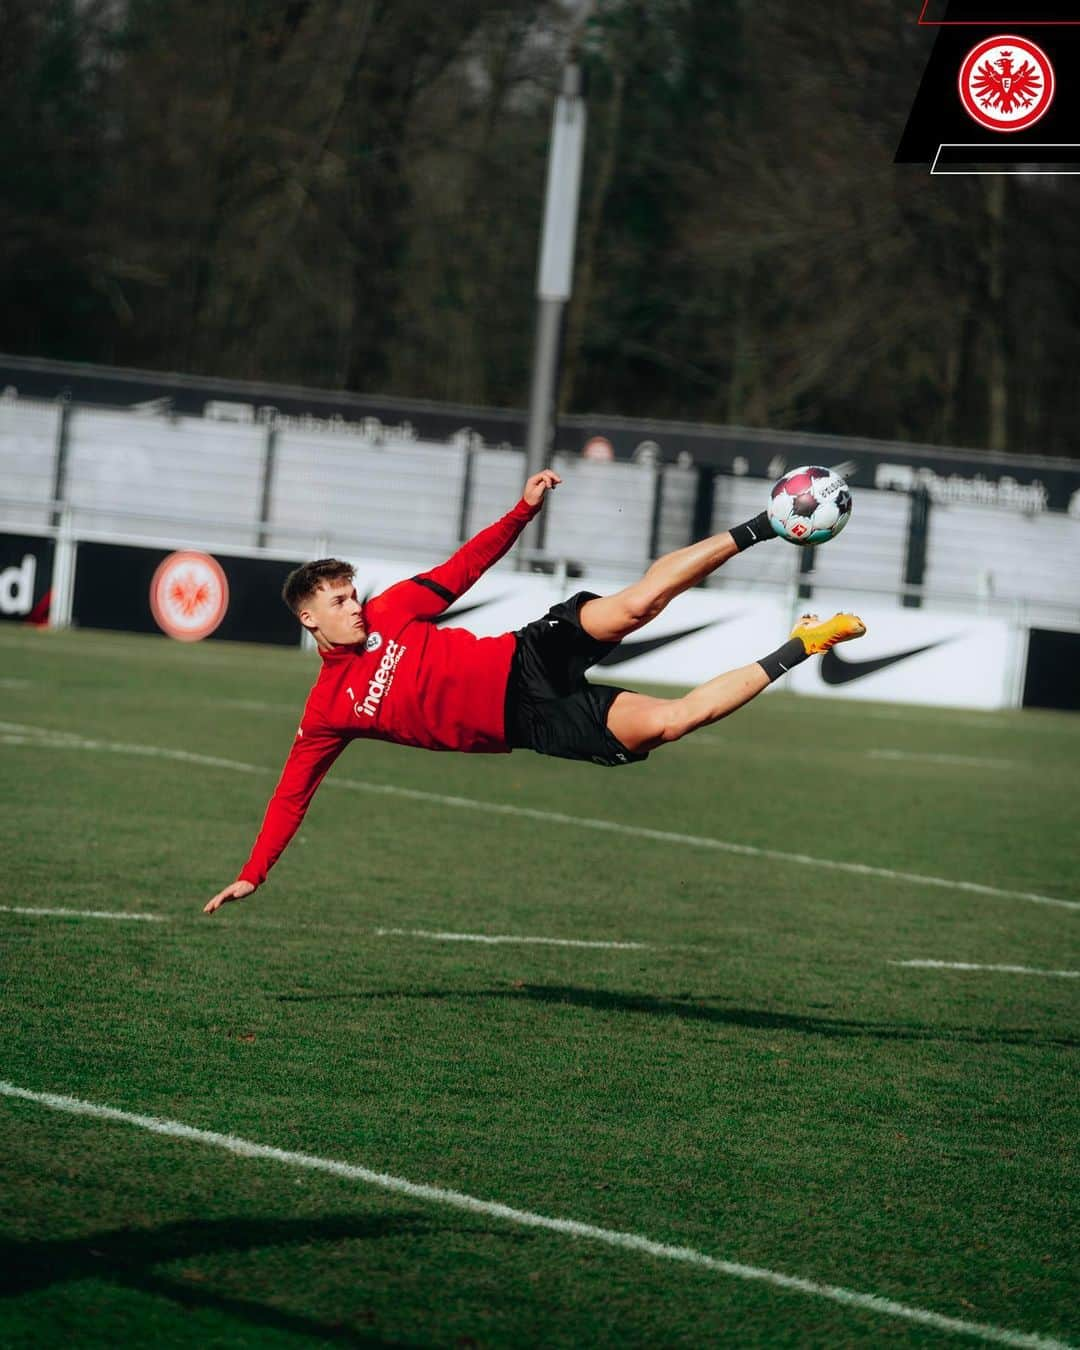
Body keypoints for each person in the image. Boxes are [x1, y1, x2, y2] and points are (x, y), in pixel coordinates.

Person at [204, 469, 865, 914]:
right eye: (340, 601)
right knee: (669, 723)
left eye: (352, 594)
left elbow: (463, 568)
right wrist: (254, 872)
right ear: (308, 618)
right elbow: (292, 791)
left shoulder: (393, 610)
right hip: (532, 724)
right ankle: (803, 643)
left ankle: (766, 524)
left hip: (527, 657)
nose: (355, 607)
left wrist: (522, 511)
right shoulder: (327, 710)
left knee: (635, 605)